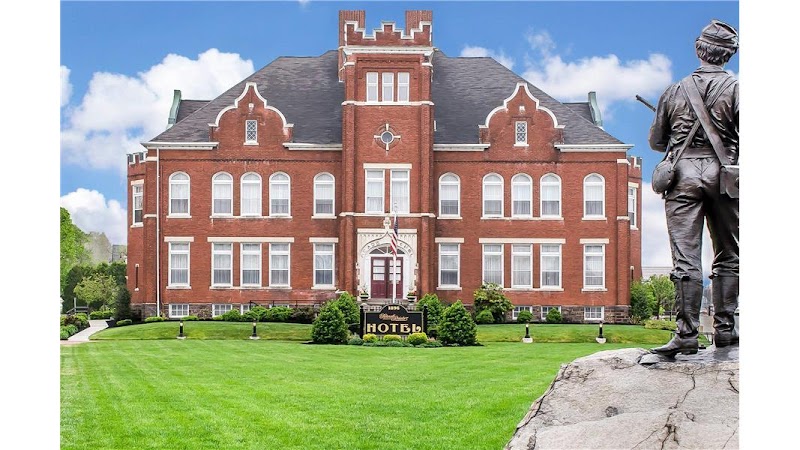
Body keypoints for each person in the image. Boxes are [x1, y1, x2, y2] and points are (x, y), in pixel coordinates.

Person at [648, 20, 739, 356]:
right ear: (729, 54)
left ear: (699, 50)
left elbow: (657, 141)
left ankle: (686, 334)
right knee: (729, 254)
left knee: (685, 258)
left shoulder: (674, 90)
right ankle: (725, 331)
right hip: (725, 177)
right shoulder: (738, 89)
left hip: (683, 175)